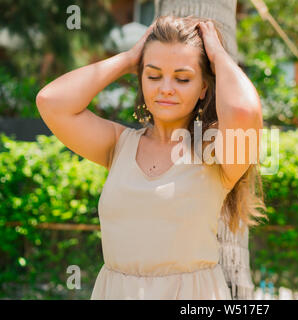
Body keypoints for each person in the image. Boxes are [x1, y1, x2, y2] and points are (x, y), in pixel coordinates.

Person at [36, 15, 267, 300]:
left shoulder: (215, 152)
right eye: (153, 75)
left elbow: (244, 111)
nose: (165, 88)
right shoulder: (118, 144)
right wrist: (129, 58)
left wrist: (217, 56)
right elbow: (51, 102)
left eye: (182, 78)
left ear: (203, 87)